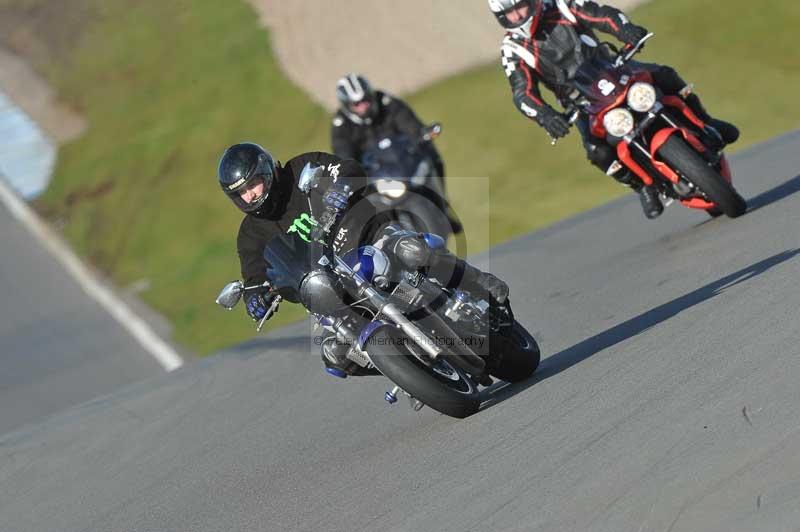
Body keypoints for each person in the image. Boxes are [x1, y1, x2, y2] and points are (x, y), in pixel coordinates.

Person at [217, 143, 508, 375]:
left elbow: (346, 168)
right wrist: (255, 297)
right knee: (335, 355)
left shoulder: (299, 169)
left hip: (370, 239)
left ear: (268, 171)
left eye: (253, 184)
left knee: (414, 252)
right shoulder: (250, 235)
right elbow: (255, 273)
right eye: (241, 193)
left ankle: (478, 281)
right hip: (331, 287)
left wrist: (339, 188)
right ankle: (409, 366)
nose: (250, 195)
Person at [489, 0, 740, 219]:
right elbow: (522, 92)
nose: (519, 16)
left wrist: (626, 30)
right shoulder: (512, 49)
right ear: (501, 18)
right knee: (596, 151)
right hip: (580, 102)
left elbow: (603, 14)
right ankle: (643, 187)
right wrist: (544, 115)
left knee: (665, 75)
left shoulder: (562, 5)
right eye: (511, 13)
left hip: (613, 68)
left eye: (521, 6)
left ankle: (707, 123)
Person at [331, 73, 462, 233]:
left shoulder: (387, 102)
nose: (363, 106)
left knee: (432, 155)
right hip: (377, 174)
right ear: (347, 106)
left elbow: (409, 123)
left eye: (365, 100)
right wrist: (349, 173)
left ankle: (443, 206)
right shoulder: (341, 125)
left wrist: (422, 134)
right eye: (357, 104)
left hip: (404, 160)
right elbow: (343, 153)